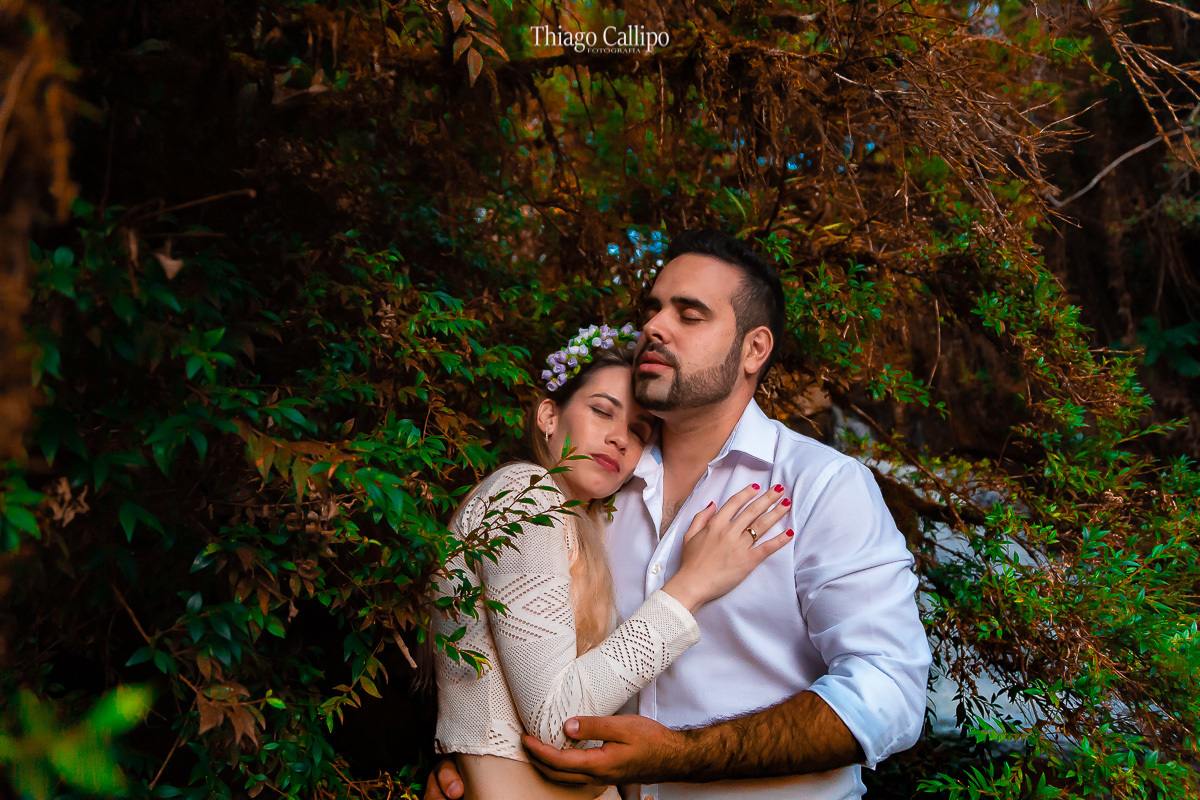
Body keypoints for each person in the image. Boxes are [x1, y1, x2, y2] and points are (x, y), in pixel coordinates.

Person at [427, 230, 931, 800]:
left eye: (689, 314)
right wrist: (476, 759)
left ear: (753, 349)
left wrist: (684, 755)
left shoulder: (820, 487)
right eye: (652, 309)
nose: (654, 327)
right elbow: (519, 654)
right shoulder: (596, 489)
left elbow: (889, 691)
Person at [429, 322, 796, 800]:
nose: (621, 439)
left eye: (639, 432)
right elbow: (560, 728)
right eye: (602, 411)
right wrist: (693, 585)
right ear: (548, 416)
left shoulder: (584, 526)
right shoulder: (524, 496)